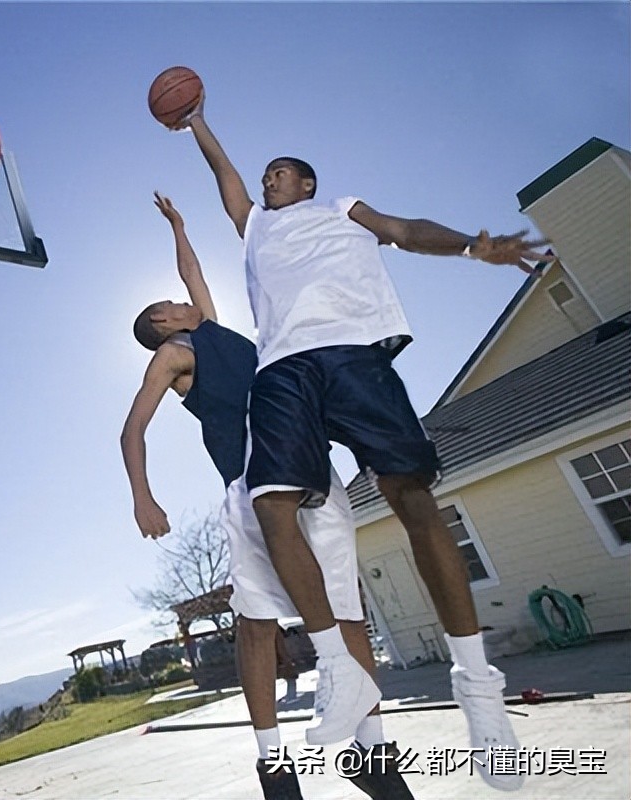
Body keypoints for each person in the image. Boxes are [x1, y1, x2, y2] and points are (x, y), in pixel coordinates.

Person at [172, 93, 550, 790]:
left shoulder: (341, 209)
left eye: (281, 173)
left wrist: (472, 245)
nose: (268, 180)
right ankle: (337, 668)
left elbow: (404, 229)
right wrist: (198, 123)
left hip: (351, 352)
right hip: (284, 369)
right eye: (266, 177)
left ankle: (479, 691)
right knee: (272, 503)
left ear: (308, 184)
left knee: (411, 498)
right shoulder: (255, 228)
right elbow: (224, 175)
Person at [121, 194, 413, 800]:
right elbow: (132, 430)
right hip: (255, 486)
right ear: (163, 326)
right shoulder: (177, 356)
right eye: (169, 306)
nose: (180, 301)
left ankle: (373, 751)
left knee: (347, 609)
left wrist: (179, 224)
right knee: (257, 625)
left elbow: (192, 271)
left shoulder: (212, 330)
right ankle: (272, 763)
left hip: (312, 470)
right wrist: (142, 497)